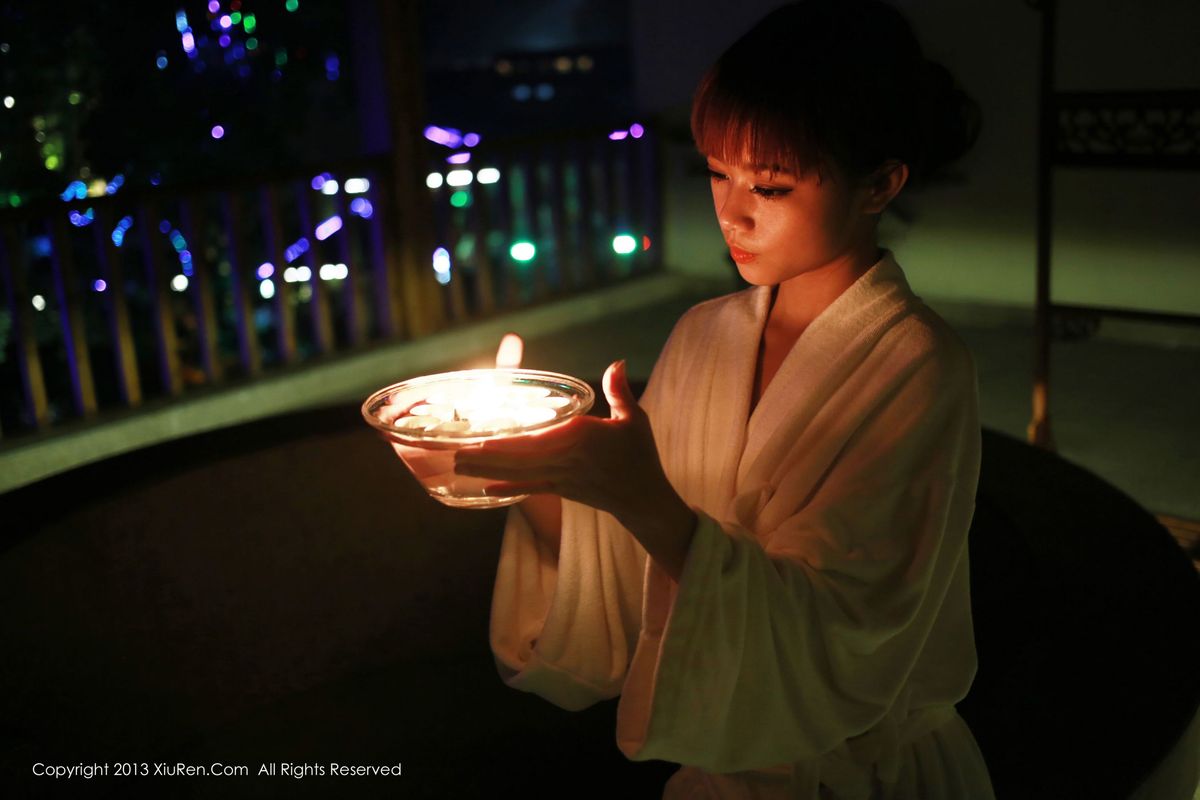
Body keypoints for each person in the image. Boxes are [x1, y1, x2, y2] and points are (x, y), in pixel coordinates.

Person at [453, 1, 992, 797]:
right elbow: (634, 579)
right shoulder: (704, 336)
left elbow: (842, 642)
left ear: (879, 183)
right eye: (716, 171)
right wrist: (522, 468)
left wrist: (639, 495)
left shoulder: (917, 365)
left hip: (866, 773)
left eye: (769, 186)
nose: (731, 211)